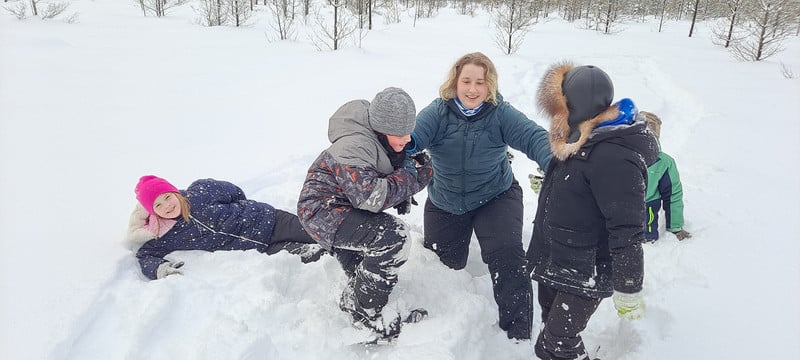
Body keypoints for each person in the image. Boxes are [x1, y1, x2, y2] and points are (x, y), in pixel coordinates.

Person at [405, 52, 552, 341]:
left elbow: (534, 137)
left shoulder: (500, 113)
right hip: (445, 201)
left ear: (490, 86)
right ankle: (444, 333)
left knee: (507, 254)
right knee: (443, 267)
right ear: (455, 82)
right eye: (466, 81)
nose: (473, 89)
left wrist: (555, 165)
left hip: (495, 196)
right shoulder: (438, 112)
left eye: (480, 83)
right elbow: (411, 139)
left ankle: (518, 334)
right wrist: (397, 153)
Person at [526, 62, 659, 360]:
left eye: (562, 103)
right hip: (556, 260)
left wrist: (628, 285)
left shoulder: (614, 156)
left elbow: (626, 227)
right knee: (550, 336)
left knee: (557, 344)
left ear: (576, 104)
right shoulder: (576, 139)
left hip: (586, 268)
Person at [296, 87, 433, 341]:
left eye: (408, 132)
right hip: (322, 211)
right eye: (399, 134)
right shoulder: (355, 145)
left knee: (364, 271)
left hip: (342, 207)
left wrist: (403, 184)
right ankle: (364, 311)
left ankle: (355, 300)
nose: (406, 140)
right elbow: (372, 197)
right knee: (394, 237)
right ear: (381, 130)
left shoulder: (377, 141)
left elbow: (380, 175)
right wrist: (412, 180)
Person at [126, 175, 325, 280]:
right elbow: (145, 254)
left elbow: (233, 192)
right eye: (158, 205)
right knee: (316, 255)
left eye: (167, 197)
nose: (167, 206)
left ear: (175, 192)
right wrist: (159, 268)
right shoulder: (165, 233)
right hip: (262, 247)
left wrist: (245, 209)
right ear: (152, 212)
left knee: (320, 234)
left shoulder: (200, 192)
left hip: (270, 220)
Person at [640, 111, 692, 241]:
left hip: (647, 212)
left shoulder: (664, 163)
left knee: (646, 241)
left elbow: (673, 194)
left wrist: (675, 227)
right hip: (618, 211)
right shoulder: (619, 156)